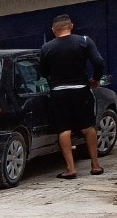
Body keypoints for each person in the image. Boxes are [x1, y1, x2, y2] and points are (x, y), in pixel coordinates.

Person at [40, 14, 106, 179]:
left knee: (63, 130)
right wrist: (96, 79)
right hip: (81, 90)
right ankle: (96, 166)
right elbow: (99, 62)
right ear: (72, 26)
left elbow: (43, 72)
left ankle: (70, 169)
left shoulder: (46, 47)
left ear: (54, 30)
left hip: (59, 92)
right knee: (88, 127)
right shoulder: (84, 41)